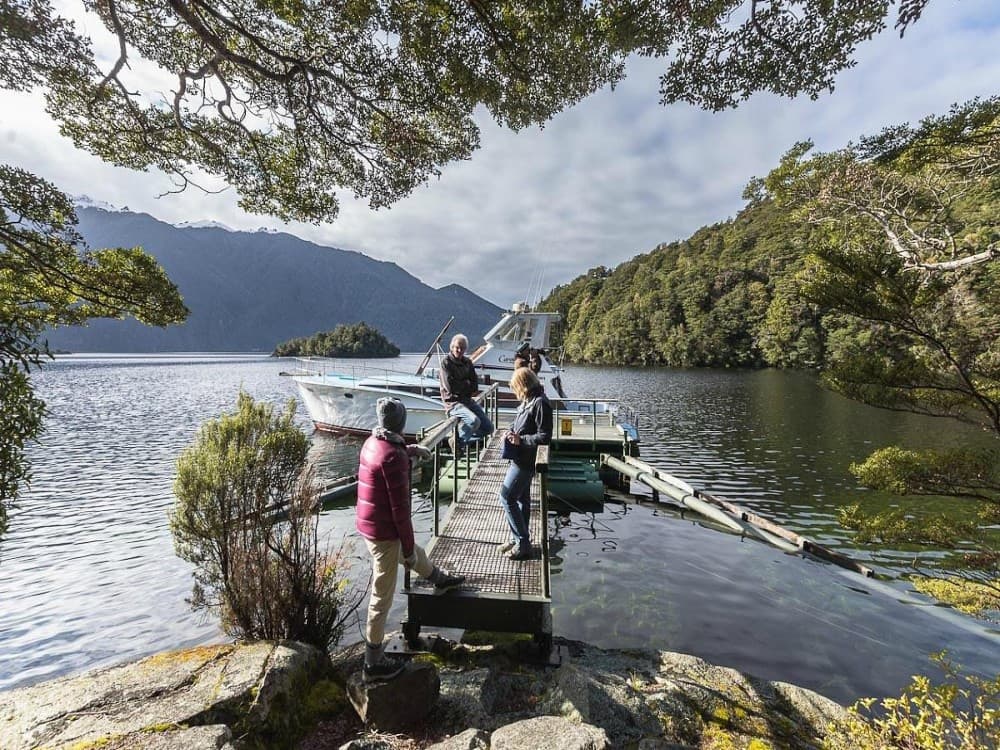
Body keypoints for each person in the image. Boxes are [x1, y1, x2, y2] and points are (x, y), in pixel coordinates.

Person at [356, 397, 465, 681]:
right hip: (384, 532)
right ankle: (373, 663)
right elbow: (400, 513)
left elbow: (389, 449)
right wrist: (406, 547)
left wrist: (411, 448)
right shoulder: (394, 458)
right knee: (382, 596)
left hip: (369, 525)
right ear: (400, 423)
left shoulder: (373, 441)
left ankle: (439, 578)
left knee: (412, 553)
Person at [497, 368, 552, 561]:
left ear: (523, 385)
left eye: (516, 388)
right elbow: (519, 424)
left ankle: (522, 543)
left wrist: (521, 440)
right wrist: (511, 432)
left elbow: (545, 437)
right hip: (520, 457)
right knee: (522, 500)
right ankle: (519, 539)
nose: (515, 392)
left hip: (526, 461)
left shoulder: (540, 403)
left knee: (506, 497)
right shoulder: (528, 401)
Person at [439, 333, 494, 452]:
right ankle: (459, 442)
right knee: (474, 421)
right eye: (457, 347)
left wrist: (462, 384)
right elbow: (450, 388)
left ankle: (458, 440)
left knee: (488, 428)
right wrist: (466, 383)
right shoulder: (446, 363)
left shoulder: (468, 362)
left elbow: (475, 385)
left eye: (462, 348)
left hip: (467, 400)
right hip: (453, 403)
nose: (459, 350)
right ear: (451, 347)